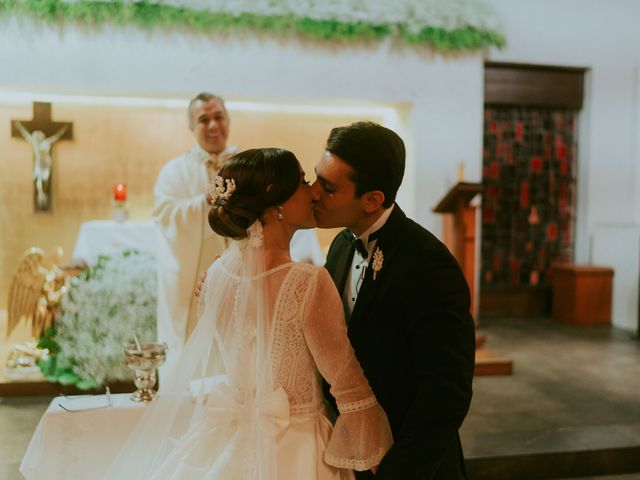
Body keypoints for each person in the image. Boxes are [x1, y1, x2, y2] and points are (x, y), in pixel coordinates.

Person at [104, 148, 393, 479]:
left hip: (227, 439)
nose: (312, 190)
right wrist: (379, 459)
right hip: (296, 446)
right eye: (301, 181)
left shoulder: (215, 277)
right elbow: (348, 386)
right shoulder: (307, 282)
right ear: (277, 204)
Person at [311, 121, 476, 479]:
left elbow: (447, 391)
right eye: (316, 178)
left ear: (372, 200)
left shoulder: (427, 263)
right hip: (350, 452)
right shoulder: (341, 245)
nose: (313, 193)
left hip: (409, 462)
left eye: (328, 187)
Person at [154, 93, 324, 373]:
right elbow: (165, 218)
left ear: (228, 120)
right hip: (200, 274)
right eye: (203, 119)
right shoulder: (174, 172)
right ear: (191, 128)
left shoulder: (250, 166)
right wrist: (203, 204)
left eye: (218, 117)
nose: (212, 125)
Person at [15, 121, 68, 210]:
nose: (36, 138)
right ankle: (41, 197)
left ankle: (43, 196)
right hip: (39, 165)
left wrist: (64, 130)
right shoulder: (35, 143)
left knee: (44, 180)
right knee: (39, 181)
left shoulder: (46, 142)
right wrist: (20, 127)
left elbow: (56, 137)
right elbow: (26, 134)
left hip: (46, 165)